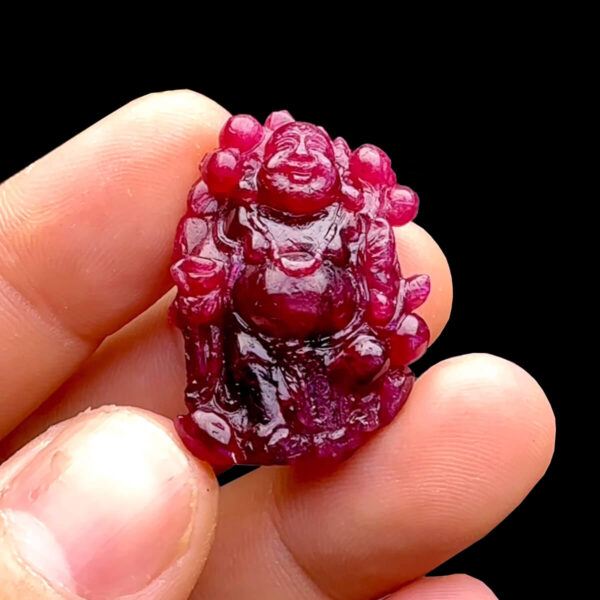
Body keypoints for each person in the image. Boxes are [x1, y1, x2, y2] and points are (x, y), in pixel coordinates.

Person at [0, 90, 555, 600]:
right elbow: (205, 254)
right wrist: (206, 286)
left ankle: (329, 421)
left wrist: (380, 313)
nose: (300, 160)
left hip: (334, 333)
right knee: (246, 372)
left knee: (357, 367)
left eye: (313, 154)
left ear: (335, 174)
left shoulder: (348, 220)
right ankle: (240, 423)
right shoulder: (242, 213)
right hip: (251, 329)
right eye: (287, 153)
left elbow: (380, 270)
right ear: (260, 171)